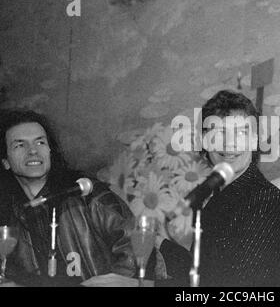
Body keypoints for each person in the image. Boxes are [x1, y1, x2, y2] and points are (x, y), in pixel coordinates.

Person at [0, 110, 188, 287]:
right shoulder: (8, 214)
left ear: (50, 151)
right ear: (5, 161)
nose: (33, 150)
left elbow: (134, 259)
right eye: (20, 145)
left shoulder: (90, 196)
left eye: (40, 142)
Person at [197, 90, 280, 286]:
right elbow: (203, 274)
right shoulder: (221, 193)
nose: (229, 143)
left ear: (255, 140)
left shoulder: (266, 202)